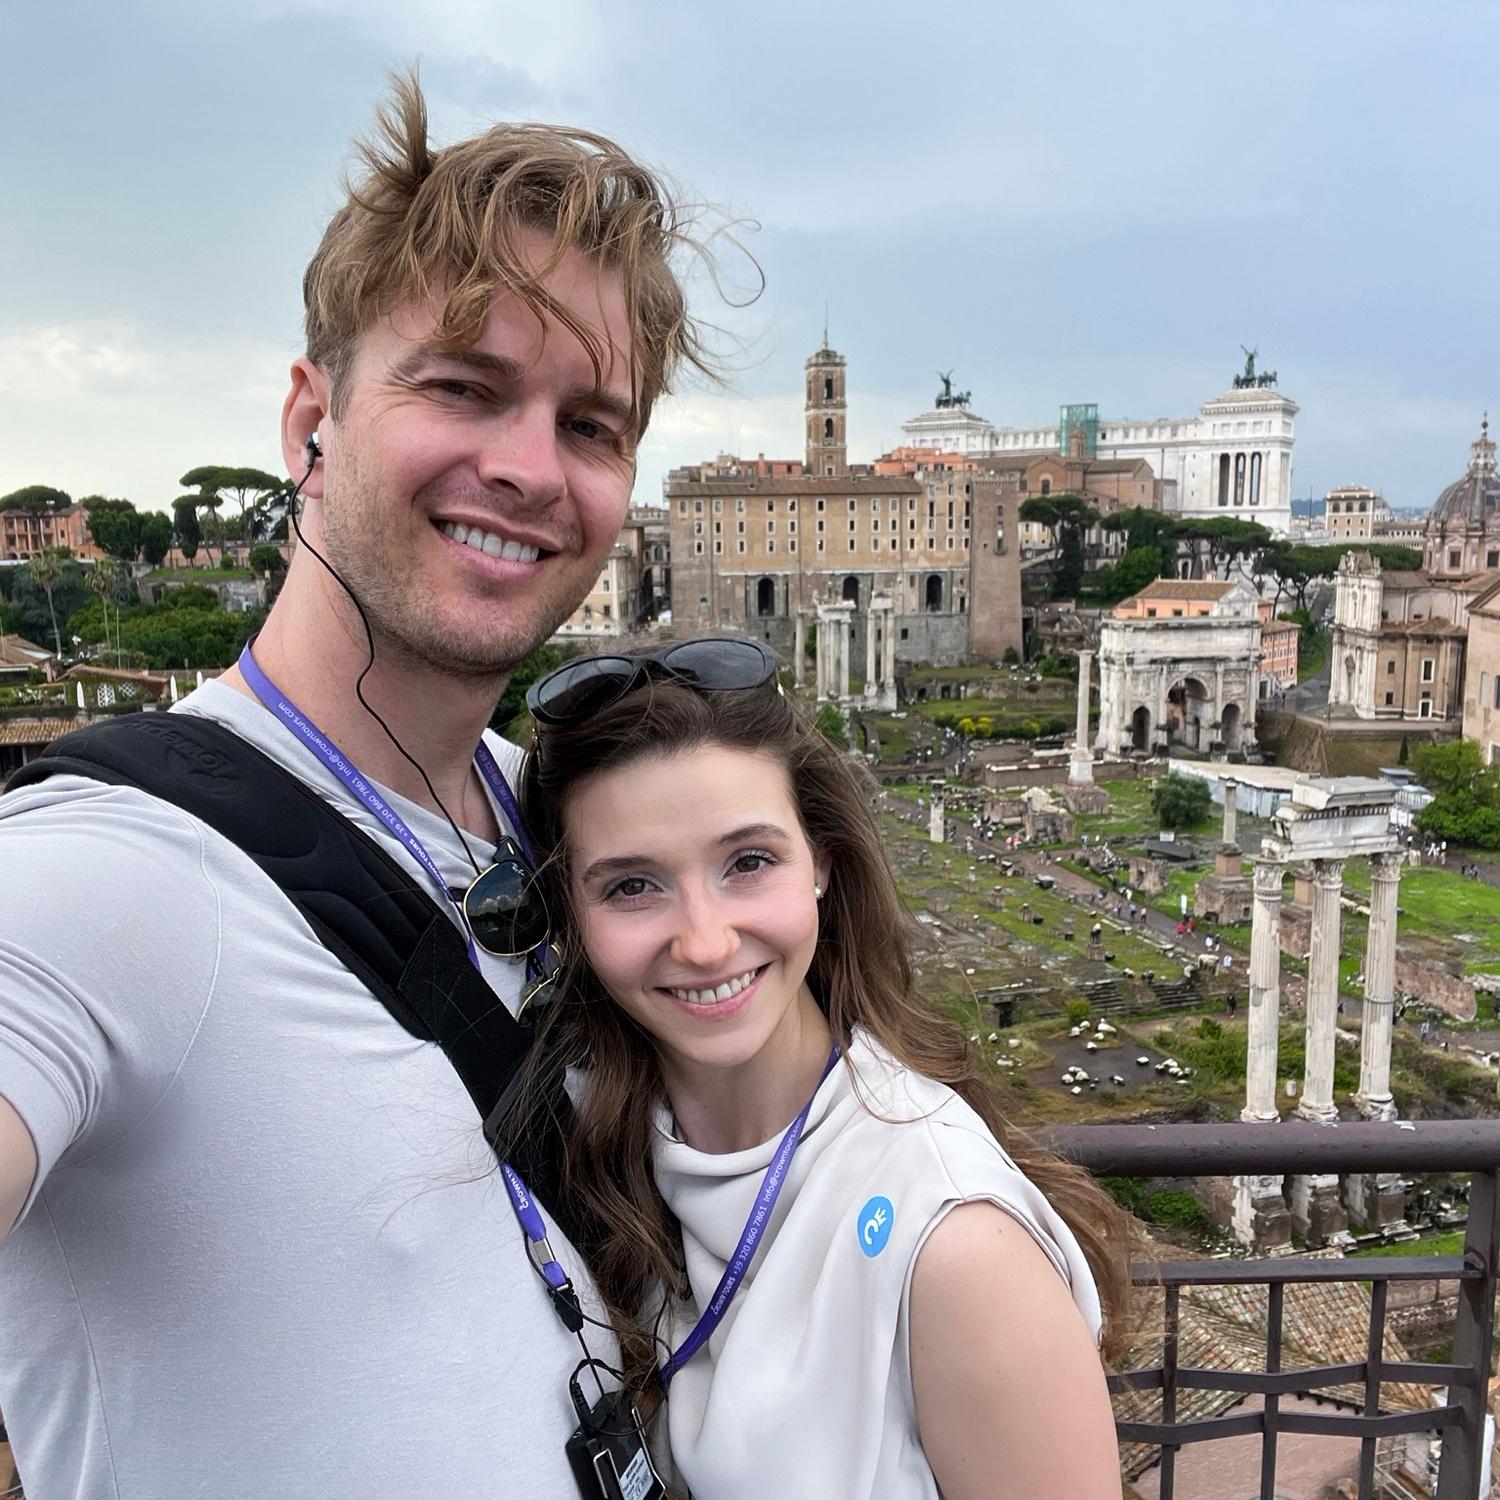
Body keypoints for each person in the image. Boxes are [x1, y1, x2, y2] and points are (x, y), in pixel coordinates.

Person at [0, 75, 713, 1496]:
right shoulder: (96, 879)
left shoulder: (565, 820)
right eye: (462, 387)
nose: (526, 468)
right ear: (309, 420)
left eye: (591, 424)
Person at [506, 642, 1136, 1500]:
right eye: (630, 887)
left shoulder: (958, 1251)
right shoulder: (598, 1143)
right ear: (571, 916)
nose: (704, 941)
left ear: (824, 865)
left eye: (748, 862)